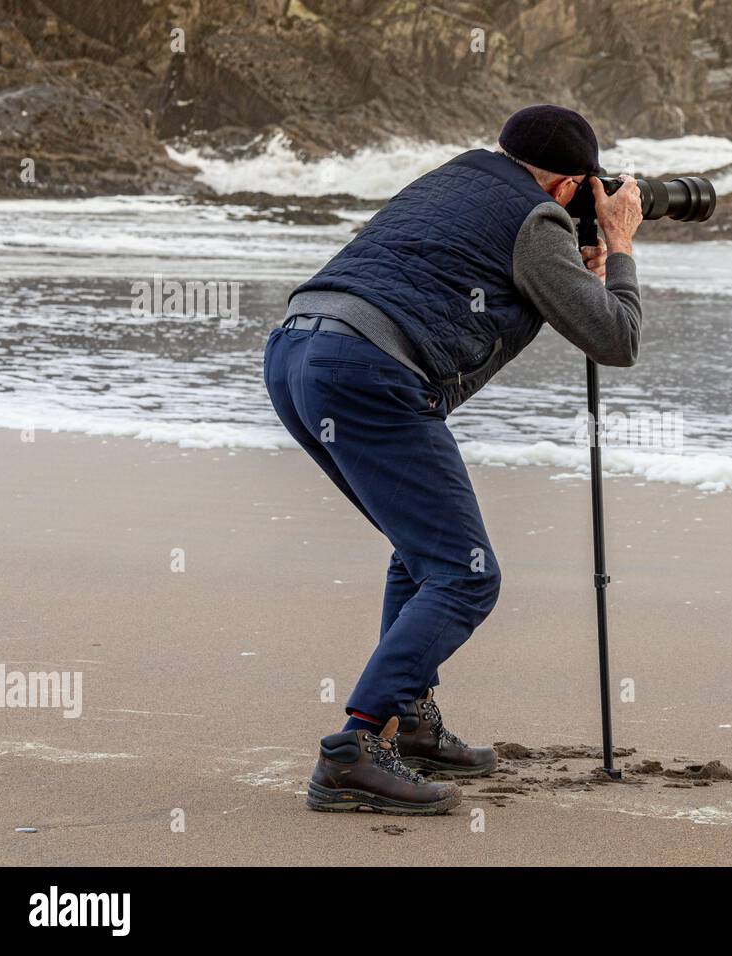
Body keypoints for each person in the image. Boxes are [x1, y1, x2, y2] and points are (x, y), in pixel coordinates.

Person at [263, 104, 644, 815]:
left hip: (294, 351)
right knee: (466, 577)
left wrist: (576, 263)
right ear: (569, 188)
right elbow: (616, 338)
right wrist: (618, 247)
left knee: (422, 550)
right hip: (363, 366)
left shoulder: (454, 179)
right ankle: (354, 748)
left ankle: (411, 724)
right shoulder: (539, 221)